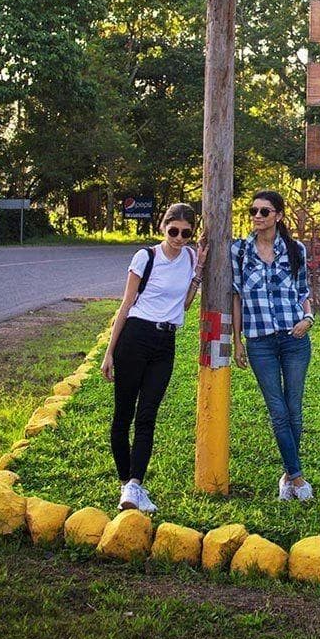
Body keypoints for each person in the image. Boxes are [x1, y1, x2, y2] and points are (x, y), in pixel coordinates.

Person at [101, 203, 207, 513]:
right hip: (135, 337)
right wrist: (110, 352)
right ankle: (127, 483)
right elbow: (126, 305)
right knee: (123, 414)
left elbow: (184, 305)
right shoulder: (145, 257)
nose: (179, 237)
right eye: (173, 230)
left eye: (186, 233)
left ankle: (135, 485)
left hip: (165, 342)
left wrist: (198, 272)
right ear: (163, 227)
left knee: (147, 415)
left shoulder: (188, 257)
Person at [231, 190, 315, 502]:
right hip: (260, 342)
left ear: (278, 215)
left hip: (295, 339)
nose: (257, 216)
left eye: (264, 211)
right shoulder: (239, 251)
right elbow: (236, 296)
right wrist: (237, 340)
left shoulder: (296, 249)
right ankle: (298, 478)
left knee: (294, 410)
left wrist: (308, 318)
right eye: (253, 210)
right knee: (277, 411)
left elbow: (304, 289)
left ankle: (286, 476)